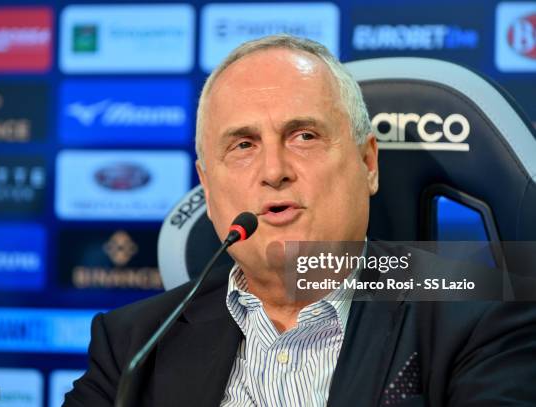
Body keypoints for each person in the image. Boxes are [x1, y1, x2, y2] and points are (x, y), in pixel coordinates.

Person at [64, 35, 536, 406]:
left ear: (368, 163)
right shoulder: (132, 345)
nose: (274, 171)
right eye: (243, 145)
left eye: (304, 135)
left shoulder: (483, 316)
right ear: (208, 191)